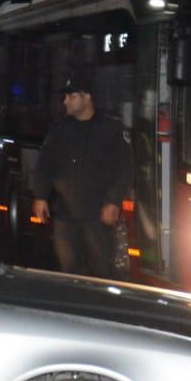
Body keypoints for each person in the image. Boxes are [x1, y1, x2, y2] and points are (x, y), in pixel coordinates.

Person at [32, 75, 132, 278]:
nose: (65, 102)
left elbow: (124, 168)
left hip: (97, 214)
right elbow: (45, 165)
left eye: (71, 97)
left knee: (102, 269)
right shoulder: (60, 129)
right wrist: (40, 196)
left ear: (87, 98)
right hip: (66, 213)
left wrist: (113, 201)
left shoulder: (110, 128)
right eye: (65, 97)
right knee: (69, 269)